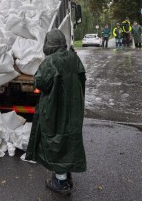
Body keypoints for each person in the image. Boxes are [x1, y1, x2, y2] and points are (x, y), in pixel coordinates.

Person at [25, 28, 86, 195]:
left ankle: (61, 182)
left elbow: (40, 83)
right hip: (73, 107)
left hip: (54, 107)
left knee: (55, 139)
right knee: (68, 138)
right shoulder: (74, 58)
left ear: (49, 43)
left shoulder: (50, 61)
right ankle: (65, 175)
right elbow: (82, 79)